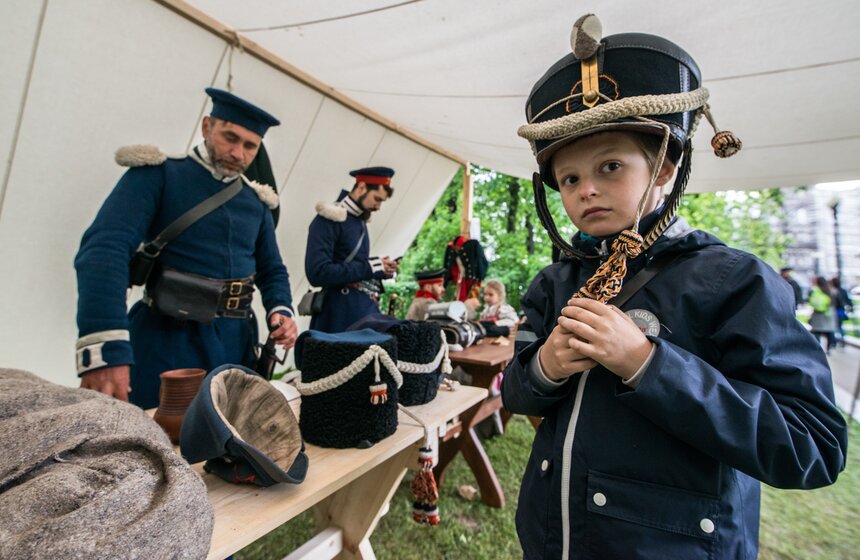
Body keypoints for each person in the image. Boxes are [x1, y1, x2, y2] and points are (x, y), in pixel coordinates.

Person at [501, 14, 847, 559]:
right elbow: (515, 391)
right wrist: (546, 366)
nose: (586, 190)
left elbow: (812, 446)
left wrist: (646, 363)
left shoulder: (734, 280)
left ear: (665, 167)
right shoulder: (556, 281)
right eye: (569, 179)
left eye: (610, 166)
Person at [75, 88, 298, 409]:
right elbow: (103, 252)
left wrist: (281, 309)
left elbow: (272, 269)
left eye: (250, 146)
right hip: (165, 339)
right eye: (230, 138)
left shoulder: (256, 203)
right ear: (207, 126)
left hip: (234, 346)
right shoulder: (158, 175)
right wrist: (106, 352)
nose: (238, 153)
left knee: (223, 447)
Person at [305, 167, 399, 332]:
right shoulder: (329, 219)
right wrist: (372, 267)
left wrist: (380, 267)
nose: (378, 207)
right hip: (337, 316)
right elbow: (317, 272)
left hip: (359, 309)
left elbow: (352, 266)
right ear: (361, 187)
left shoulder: (358, 221)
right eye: (377, 199)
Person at [809, 276, 837, 353]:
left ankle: (817, 349)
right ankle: (829, 348)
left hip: (818, 314)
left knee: (817, 332)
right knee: (828, 332)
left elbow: (811, 301)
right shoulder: (830, 290)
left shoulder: (815, 290)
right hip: (828, 314)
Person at [831, 276, 853, 347]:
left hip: (835, 310)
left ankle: (834, 341)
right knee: (839, 326)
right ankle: (841, 340)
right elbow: (848, 300)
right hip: (841, 310)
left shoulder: (832, 291)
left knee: (835, 325)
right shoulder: (843, 290)